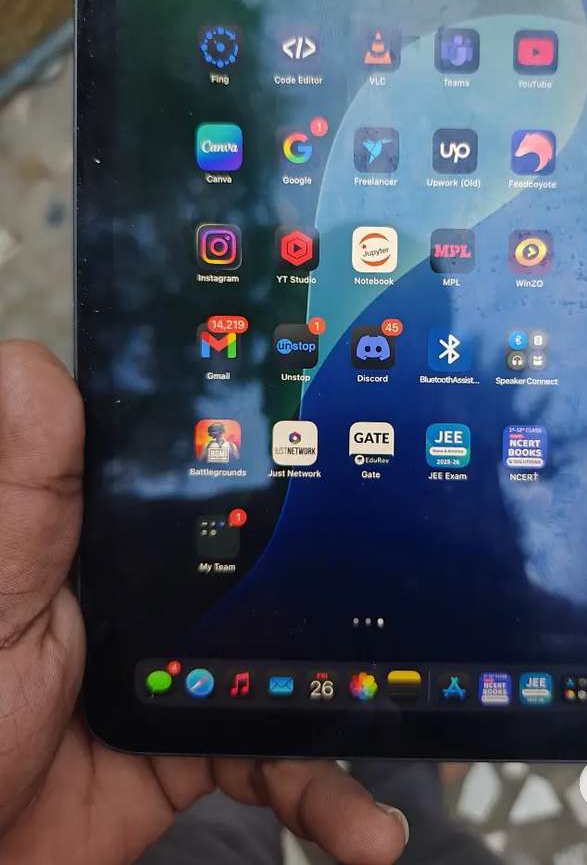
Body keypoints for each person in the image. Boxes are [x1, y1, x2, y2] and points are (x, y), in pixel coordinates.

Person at [0, 341, 497, 865]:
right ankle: (400, 777)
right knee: (398, 817)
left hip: (147, 810)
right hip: (135, 780)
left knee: (216, 815)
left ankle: (383, 774)